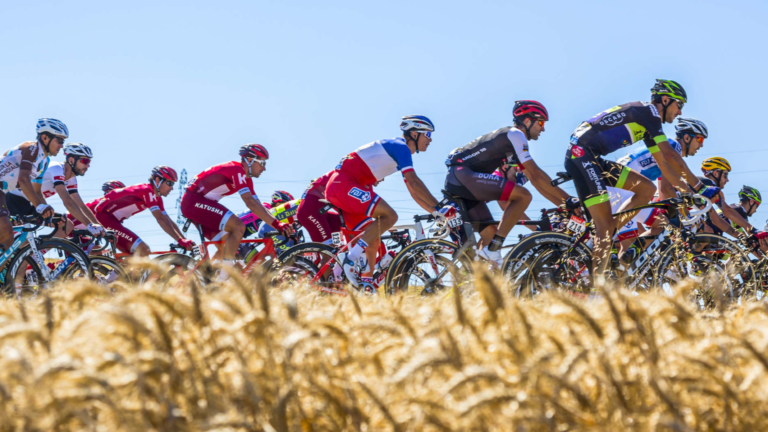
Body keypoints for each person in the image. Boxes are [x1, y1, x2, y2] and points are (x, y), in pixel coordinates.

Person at [563, 79, 718, 279]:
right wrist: (699, 187)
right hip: (582, 154)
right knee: (604, 228)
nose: (679, 112)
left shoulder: (648, 123)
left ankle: (608, 233)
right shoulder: (650, 113)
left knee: (646, 189)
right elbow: (671, 157)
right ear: (665, 100)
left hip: (590, 156)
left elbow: (665, 167)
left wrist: (690, 193)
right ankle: (596, 288)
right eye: (678, 105)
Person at [326, 115, 453, 292]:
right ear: (415, 134)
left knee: (374, 233)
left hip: (344, 186)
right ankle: (350, 259)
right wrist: (440, 207)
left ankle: (362, 285)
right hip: (344, 184)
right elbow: (414, 181)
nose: (430, 140)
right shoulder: (400, 147)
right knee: (390, 216)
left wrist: (434, 212)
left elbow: (413, 191)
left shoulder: (398, 150)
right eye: (428, 135)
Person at [444, 101, 577, 266]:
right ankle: (494, 249)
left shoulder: (512, 144)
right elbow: (535, 173)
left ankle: (478, 281)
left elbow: (536, 180)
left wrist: (565, 204)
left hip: (461, 181)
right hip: (462, 176)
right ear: (527, 122)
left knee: (490, 235)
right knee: (523, 196)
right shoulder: (516, 135)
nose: (543, 128)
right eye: (541, 123)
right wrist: (569, 200)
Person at [180, 144, 293, 281]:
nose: (264, 168)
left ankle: (205, 282)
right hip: (194, 202)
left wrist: (277, 223)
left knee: (225, 247)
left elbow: (257, 205)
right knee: (238, 226)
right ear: (250, 160)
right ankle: (223, 279)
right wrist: (277, 224)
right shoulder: (237, 170)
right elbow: (250, 202)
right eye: (262, 163)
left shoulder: (246, 178)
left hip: (198, 204)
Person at [609, 117, 707, 256]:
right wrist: (688, 210)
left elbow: (664, 191)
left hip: (626, 189)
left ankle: (631, 262)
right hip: (621, 190)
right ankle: (618, 268)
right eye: (700, 139)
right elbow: (667, 189)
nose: (701, 145)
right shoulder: (672, 148)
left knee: (661, 225)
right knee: (627, 252)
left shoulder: (669, 149)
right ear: (686, 137)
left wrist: (678, 211)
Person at [93, 166, 194, 256]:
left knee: (133, 257)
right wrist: (180, 240)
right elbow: (160, 219)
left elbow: (167, 220)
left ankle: (116, 276)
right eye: (169, 183)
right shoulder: (147, 191)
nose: (172, 188)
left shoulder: (157, 198)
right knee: (143, 250)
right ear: (157, 180)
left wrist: (183, 239)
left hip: (113, 221)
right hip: (105, 218)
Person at [7, 143, 103, 237]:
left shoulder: (71, 179)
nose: (88, 165)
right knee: (19, 240)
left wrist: (100, 227)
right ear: (71, 160)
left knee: (66, 225)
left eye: (89, 162)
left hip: (30, 204)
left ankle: (38, 252)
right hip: (13, 200)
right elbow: (67, 201)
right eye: (85, 161)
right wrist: (89, 225)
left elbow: (81, 205)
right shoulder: (56, 168)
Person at [0, 118, 67, 250]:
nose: (61, 146)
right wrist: (40, 206)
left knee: (8, 240)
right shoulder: (32, 148)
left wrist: (49, 213)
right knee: (7, 234)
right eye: (59, 140)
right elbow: (23, 179)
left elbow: (36, 191)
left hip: (2, 193)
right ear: (45, 137)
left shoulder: (44, 161)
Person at [296, 171, 343, 244]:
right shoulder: (342, 174)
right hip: (309, 213)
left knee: (345, 224)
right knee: (328, 247)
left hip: (319, 212)